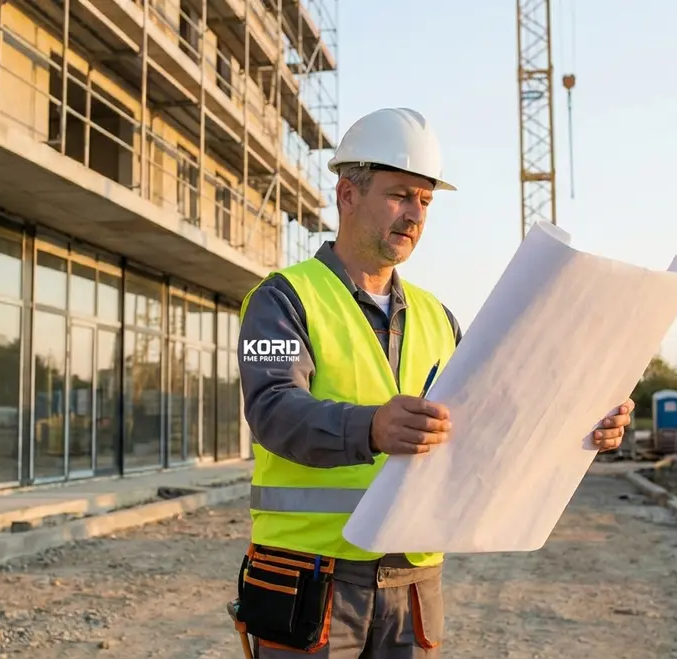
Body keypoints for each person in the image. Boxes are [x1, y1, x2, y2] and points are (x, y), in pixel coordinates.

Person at [232, 107, 634, 658]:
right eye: (399, 195)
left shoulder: (438, 317)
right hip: (311, 575)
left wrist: (582, 426)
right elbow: (275, 410)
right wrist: (371, 427)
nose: (414, 215)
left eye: (425, 201)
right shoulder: (283, 298)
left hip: (412, 579)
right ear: (348, 194)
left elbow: (491, 424)